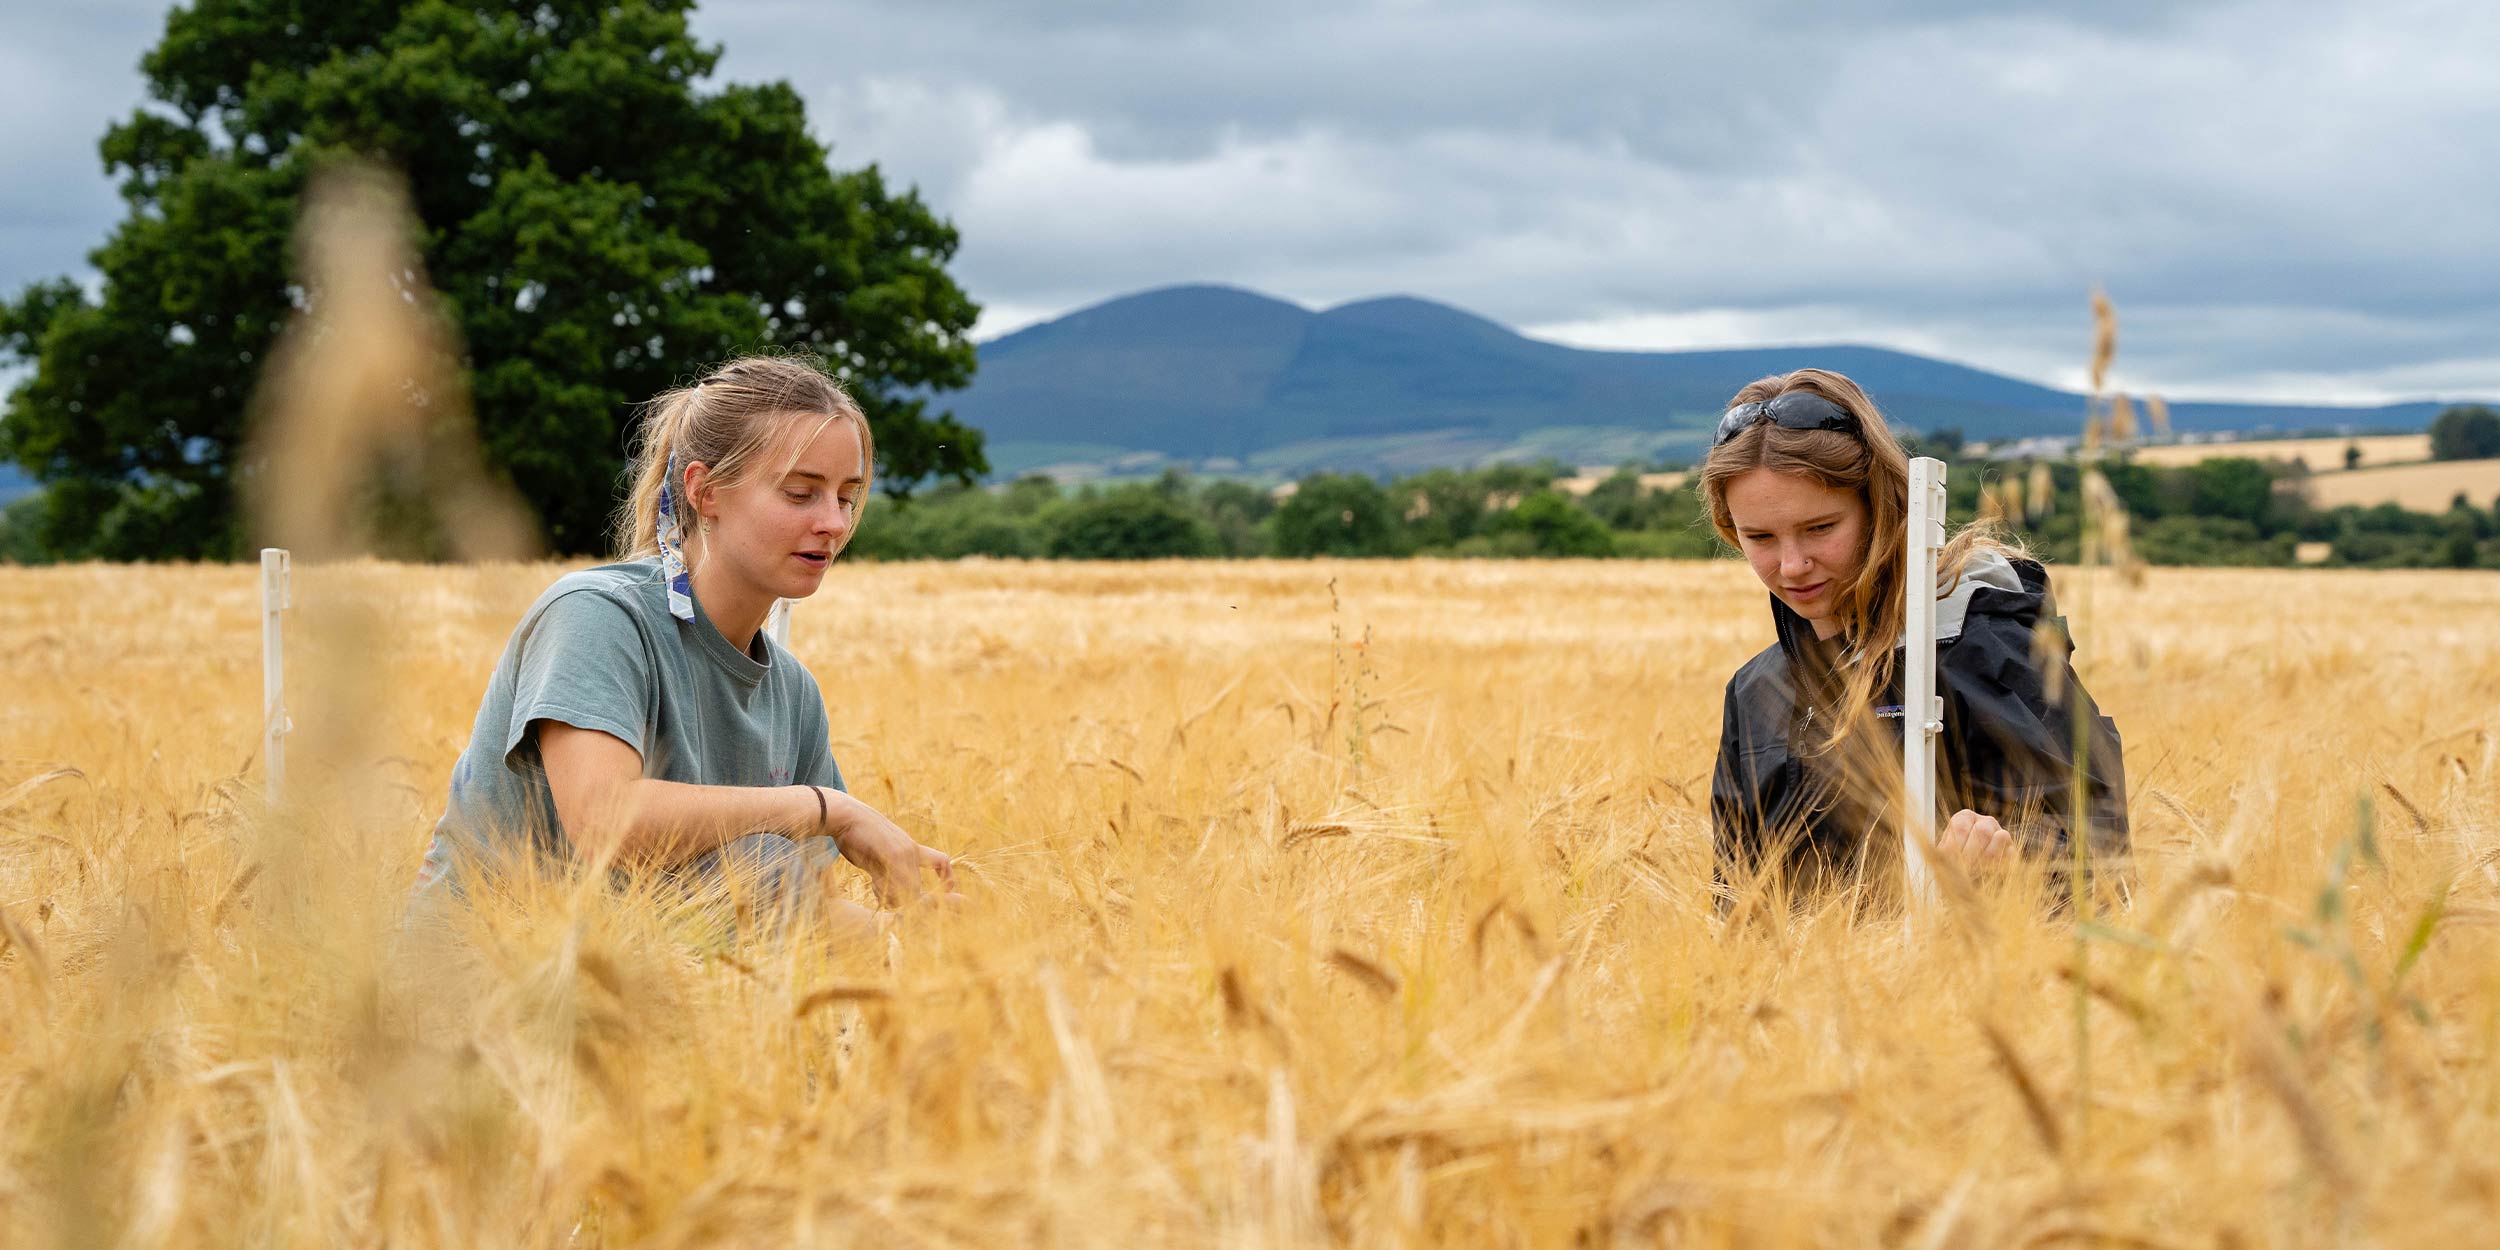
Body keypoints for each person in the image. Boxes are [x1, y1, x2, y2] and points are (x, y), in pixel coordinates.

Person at [414, 354, 954, 926]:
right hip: (476, 989)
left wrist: (914, 941)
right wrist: (828, 810)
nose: (835, 523)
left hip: (651, 997)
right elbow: (604, 821)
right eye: (801, 493)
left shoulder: (794, 693)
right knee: (761, 862)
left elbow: (800, 917)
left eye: (846, 497)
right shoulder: (598, 617)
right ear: (706, 492)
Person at [1700, 369, 2128, 902]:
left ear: (1882, 507)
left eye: (1820, 528)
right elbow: (1734, 904)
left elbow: (2099, 857)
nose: (1792, 565)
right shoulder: (1756, 690)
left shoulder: (1984, 647)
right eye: (1759, 537)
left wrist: (2013, 859)